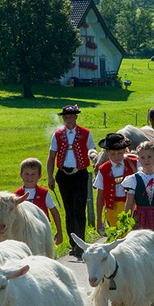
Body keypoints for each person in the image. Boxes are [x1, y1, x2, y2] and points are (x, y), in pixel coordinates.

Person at [47, 104, 96, 258]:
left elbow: (92, 152)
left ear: (76, 117)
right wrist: (50, 176)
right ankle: (73, 244)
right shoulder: (57, 135)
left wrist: (95, 164)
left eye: (71, 117)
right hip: (63, 175)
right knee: (69, 211)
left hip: (80, 174)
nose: (68, 119)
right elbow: (51, 157)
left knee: (79, 209)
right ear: (64, 119)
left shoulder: (86, 134)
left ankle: (81, 244)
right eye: (66, 117)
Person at [93, 133, 139, 235]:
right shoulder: (103, 170)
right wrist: (99, 220)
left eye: (119, 153)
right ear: (107, 153)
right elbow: (100, 196)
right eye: (112, 154)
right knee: (118, 239)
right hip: (112, 210)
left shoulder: (135, 164)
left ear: (124, 150)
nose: (116, 157)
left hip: (133, 208)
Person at [14, 157, 63, 245]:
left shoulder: (44, 193)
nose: (30, 177)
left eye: (33, 174)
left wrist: (59, 231)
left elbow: (54, 211)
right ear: (21, 175)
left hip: (41, 232)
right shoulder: (15, 195)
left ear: (39, 176)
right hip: (21, 233)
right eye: (27, 174)